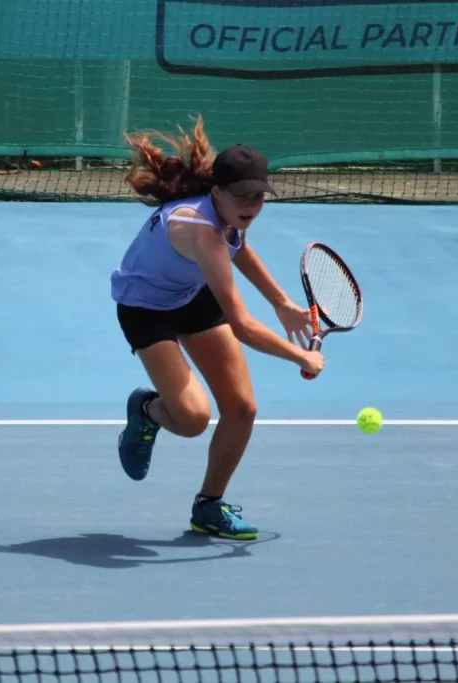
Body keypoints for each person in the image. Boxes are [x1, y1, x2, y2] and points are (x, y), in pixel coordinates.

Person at [110, 116, 325, 541]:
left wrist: (283, 304)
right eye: (243, 196)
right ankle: (147, 410)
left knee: (242, 408)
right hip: (145, 309)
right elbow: (243, 326)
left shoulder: (227, 218)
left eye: (260, 197)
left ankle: (209, 507)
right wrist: (301, 355)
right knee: (191, 420)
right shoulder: (199, 230)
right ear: (216, 192)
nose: (252, 206)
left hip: (191, 297)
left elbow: (240, 249)